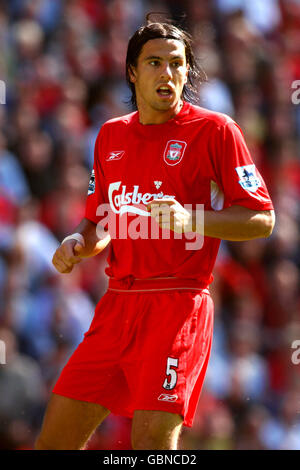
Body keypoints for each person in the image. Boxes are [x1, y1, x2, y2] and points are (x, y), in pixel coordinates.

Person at [35, 18, 275, 450]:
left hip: (177, 306)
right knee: (53, 441)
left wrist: (192, 219)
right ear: (132, 71)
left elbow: (262, 219)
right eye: (155, 63)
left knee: (150, 447)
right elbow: (99, 222)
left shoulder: (216, 130)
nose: (168, 73)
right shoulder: (110, 135)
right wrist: (78, 243)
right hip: (115, 307)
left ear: (187, 71)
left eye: (177, 64)